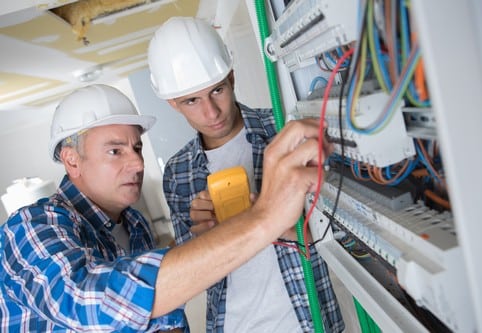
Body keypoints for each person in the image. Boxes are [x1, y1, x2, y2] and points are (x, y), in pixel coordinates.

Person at [0, 84, 327, 332]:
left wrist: (218, 236)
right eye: (115, 151)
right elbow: (91, 304)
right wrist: (264, 217)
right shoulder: (30, 225)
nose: (137, 163)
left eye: (137, 147)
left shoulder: (135, 225)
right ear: (72, 160)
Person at [148, 17, 345, 332]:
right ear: (174, 104)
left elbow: (331, 237)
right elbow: (195, 278)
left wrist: (265, 218)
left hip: (306, 322)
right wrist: (207, 238)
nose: (211, 112)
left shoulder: (283, 131)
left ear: (232, 78)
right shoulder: (178, 172)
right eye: (191, 101)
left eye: (217, 90)